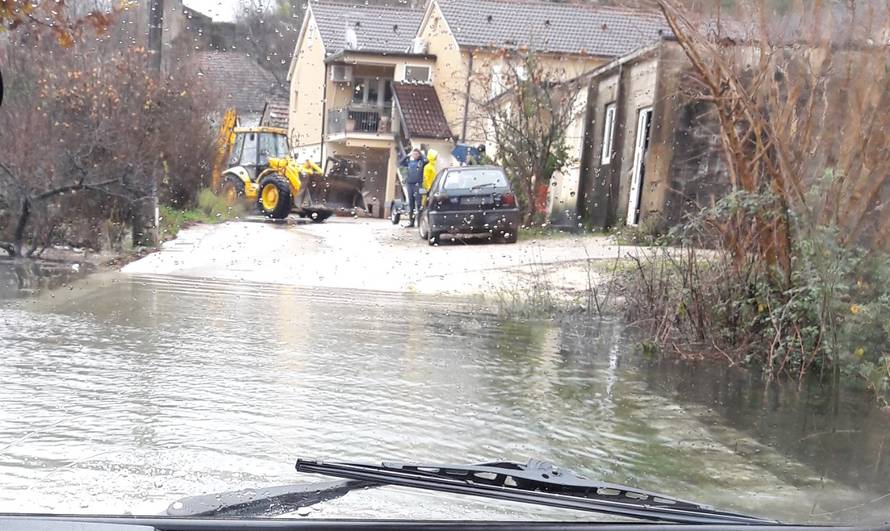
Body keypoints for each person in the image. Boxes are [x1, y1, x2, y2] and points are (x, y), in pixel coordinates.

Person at [399, 148, 425, 227]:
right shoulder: (410, 162)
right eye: (413, 154)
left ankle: (420, 223)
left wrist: (421, 154)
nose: (414, 155)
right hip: (409, 184)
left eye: (416, 154)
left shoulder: (421, 162)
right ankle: (411, 222)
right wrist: (408, 155)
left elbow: (427, 160)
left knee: (419, 203)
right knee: (411, 204)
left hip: (418, 184)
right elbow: (401, 162)